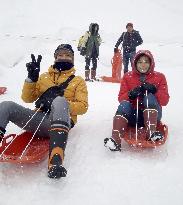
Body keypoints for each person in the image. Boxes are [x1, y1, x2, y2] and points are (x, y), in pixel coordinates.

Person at [0, 44, 88, 178]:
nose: (64, 57)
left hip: (60, 122)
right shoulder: (44, 77)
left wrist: (58, 101)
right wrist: (31, 79)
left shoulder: (78, 81)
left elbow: (83, 106)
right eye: (60, 55)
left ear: (73, 59)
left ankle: (56, 161)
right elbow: (27, 98)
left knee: (59, 101)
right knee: (6, 105)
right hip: (39, 120)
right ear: (55, 57)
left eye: (68, 55)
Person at [104, 50, 170, 151]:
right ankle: (115, 140)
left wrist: (155, 91)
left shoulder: (160, 77)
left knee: (149, 97)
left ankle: (151, 133)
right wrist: (130, 94)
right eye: (140, 62)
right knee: (124, 104)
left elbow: (165, 101)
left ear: (151, 63)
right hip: (133, 116)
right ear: (135, 63)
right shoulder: (127, 77)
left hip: (153, 115)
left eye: (146, 62)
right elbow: (121, 98)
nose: (143, 65)